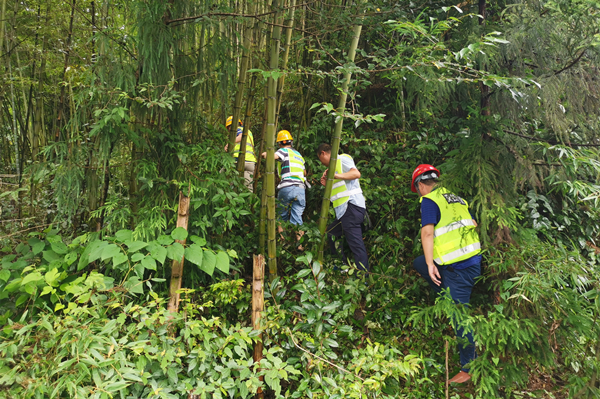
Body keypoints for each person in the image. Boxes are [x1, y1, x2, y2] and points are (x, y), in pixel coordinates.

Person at [411, 164, 482, 384]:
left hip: (458, 268)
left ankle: (469, 368)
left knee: (459, 317)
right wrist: (428, 263)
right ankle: (447, 299)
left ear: (421, 185)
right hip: (471, 262)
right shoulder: (456, 199)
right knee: (420, 263)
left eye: (418, 190)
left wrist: (433, 263)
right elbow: (474, 223)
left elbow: (428, 232)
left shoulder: (430, 200)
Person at [316, 143, 368, 272]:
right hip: (343, 211)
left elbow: (356, 174)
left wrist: (335, 176)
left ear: (323, 153)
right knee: (332, 234)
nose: (321, 163)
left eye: (320, 159)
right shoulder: (332, 169)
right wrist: (327, 183)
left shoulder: (342, 159)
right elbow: (339, 188)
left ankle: (363, 275)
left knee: (356, 244)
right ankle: (342, 266)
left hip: (351, 206)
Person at [262, 130, 307, 244]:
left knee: (282, 214)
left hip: (286, 187)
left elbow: (273, 156)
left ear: (280, 143)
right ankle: (300, 243)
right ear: (291, 142)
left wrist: (265, 154)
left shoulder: (283, 151)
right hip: (300, 189)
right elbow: (304, 172)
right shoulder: (299, 155)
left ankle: (283, 241)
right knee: (297, 216)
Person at [225, 116, 256, 192]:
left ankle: (229, 198)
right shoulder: (249, 132)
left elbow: (241, 136)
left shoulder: (238, 130)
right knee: (248, 186)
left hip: (238, 161)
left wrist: (228, 144)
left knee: (223, 175)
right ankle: (248, 202)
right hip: (250, 163)